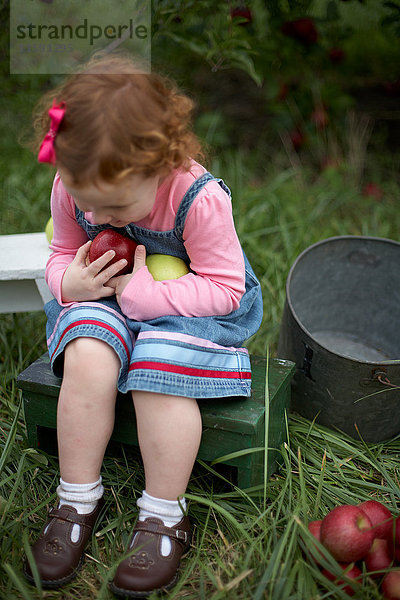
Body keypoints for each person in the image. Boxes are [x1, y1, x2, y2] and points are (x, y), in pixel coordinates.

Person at [24, 53, 263, 598]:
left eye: (114, 206)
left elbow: (225, 289)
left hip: (193, 303)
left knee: (160, 365)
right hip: (108, 288)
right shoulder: (76, 181)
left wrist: (149, 297)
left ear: (159, 165)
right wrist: (70, 283)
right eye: (90, 204)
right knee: (88, 351)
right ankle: (75, 500)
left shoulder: (197, 199)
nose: (101, 217)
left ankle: (162, 516)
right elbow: (62, 251)